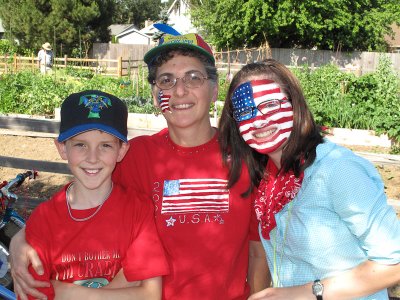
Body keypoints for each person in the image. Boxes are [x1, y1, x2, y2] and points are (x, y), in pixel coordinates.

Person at [10, 33, 269, 300]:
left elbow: (257, 249)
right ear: (156, 96)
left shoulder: (245, 157)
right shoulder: (135, 155)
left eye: (194, 77)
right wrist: (23, 238)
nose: (179, 91)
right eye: (166, 80)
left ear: (214, 89)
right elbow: (81, 192)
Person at [218, 59, 400, 299]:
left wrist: (308, 292)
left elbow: (395, 262)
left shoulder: (338, 169)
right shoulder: (267, 179)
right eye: (245, 111)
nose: (259, 120)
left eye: (270, 104)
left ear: (295, 105)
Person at [20, 90, 169, 299]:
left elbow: (151, 294)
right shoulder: (44, 219)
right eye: (80, 144)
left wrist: (65, 291)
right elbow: (34, 293)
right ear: (62, 148)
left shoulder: (138, 209)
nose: (92, 158)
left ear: (122, 150)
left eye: (105, 145)